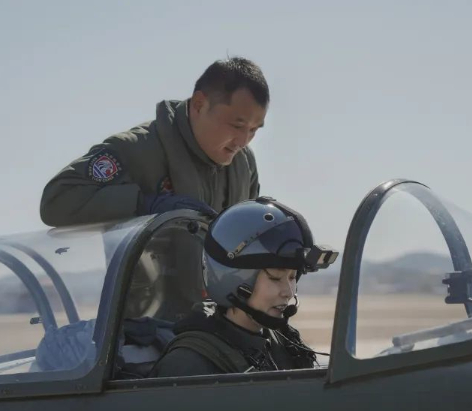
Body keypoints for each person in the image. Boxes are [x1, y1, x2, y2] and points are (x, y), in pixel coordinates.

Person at [40, 56, 269, 227]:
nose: (243, 140)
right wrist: (145, 205)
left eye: (253, 130)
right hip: (148, 292)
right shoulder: (137, 150)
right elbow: (57, 201)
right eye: (237, 126)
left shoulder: (244, 162)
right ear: (199, 104)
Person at [149, 197, 339, 377]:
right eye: (275, 277)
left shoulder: (284, 345)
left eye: (292, 277)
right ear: (235, 280)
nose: (288, 292)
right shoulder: (189, 365)